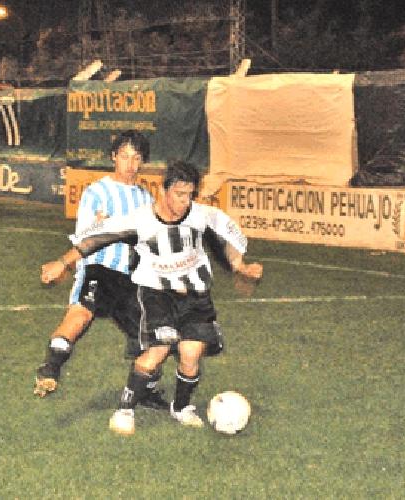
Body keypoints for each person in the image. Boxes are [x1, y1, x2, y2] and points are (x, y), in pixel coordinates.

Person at [39, 160, 263, 436]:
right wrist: (62, 262)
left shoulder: (203, 215)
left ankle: (181, 407)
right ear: (164, 190)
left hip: (196, 297)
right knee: (156, 351)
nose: (185, 201)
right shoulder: (141, 219)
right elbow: (95, 239)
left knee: (190, 353)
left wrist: (241, 267)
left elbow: (228, 241)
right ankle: (125, 409)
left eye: (190, 195)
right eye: (179, 194)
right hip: (157, 295)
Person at [33, 131, 168, 411]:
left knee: (151, 337)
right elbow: (85, 238)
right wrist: (65, 263)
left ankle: (145, 391)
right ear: (113, 158)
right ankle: (50, 368)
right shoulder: (97, 192)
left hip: (130, 278)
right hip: (98, 269)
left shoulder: (145, 197)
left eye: (137, 158)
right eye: (124, 156)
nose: (130, 164)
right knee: (80, 315)